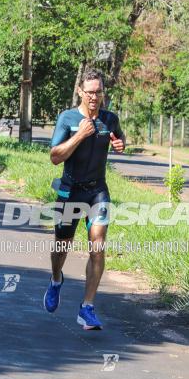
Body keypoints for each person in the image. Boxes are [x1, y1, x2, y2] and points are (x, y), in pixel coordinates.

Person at [43, 68, 125, 330]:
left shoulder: (110, 118)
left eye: (99, 92)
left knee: (98, 245)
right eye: (90, 92)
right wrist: (79, 134)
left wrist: (121, 144)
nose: (94, 97)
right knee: (61, 245)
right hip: (69, 190)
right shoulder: (67, 118)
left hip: (97, 191)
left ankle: (87, 308)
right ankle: (56, 280)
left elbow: (119, 138)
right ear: (80, 91)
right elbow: (55, 156)